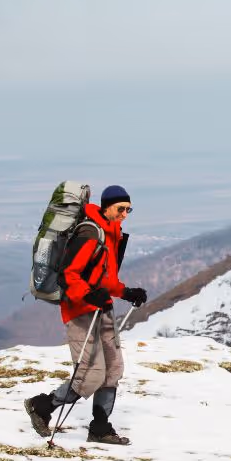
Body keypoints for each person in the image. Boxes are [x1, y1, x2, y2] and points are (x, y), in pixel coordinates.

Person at [24, 185, 148, 445]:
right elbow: (70, 275)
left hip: (102, 309)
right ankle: (42, 406)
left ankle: (100, 428)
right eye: (121, 208)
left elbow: (106, 279)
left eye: (129, 209)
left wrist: (126, 292)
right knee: (91, 375)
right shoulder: (90, 232)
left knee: (113, 370)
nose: (125, 214)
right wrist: (89, 295)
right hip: (80, 311)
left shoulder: (110, 234)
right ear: (106, 206)